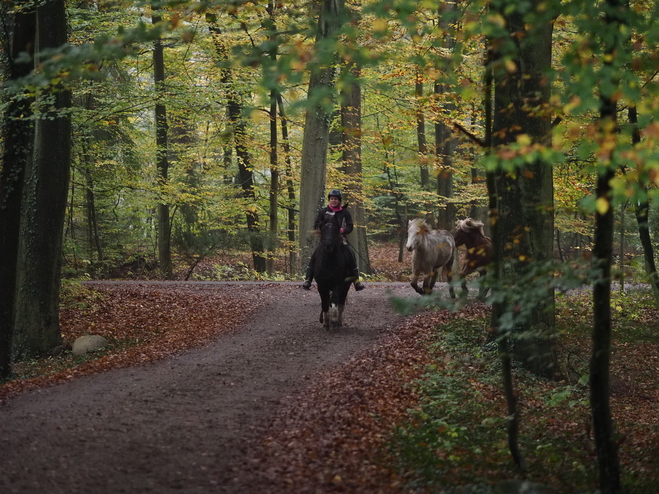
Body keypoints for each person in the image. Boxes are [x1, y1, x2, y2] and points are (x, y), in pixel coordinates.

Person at [301, 189, 365, 291]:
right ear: (329, 200)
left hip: (340, 239)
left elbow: (350, 226)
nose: (333, 201)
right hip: (326, 239)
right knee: (315, 254)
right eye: (331, 199)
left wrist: (342, 230)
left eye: (335, 199)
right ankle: (308, 278)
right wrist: (323, 229)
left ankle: (356, 281)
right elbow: (317, 224)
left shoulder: (345, 213)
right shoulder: (323, 211)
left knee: (350, 254)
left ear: (339, 200)